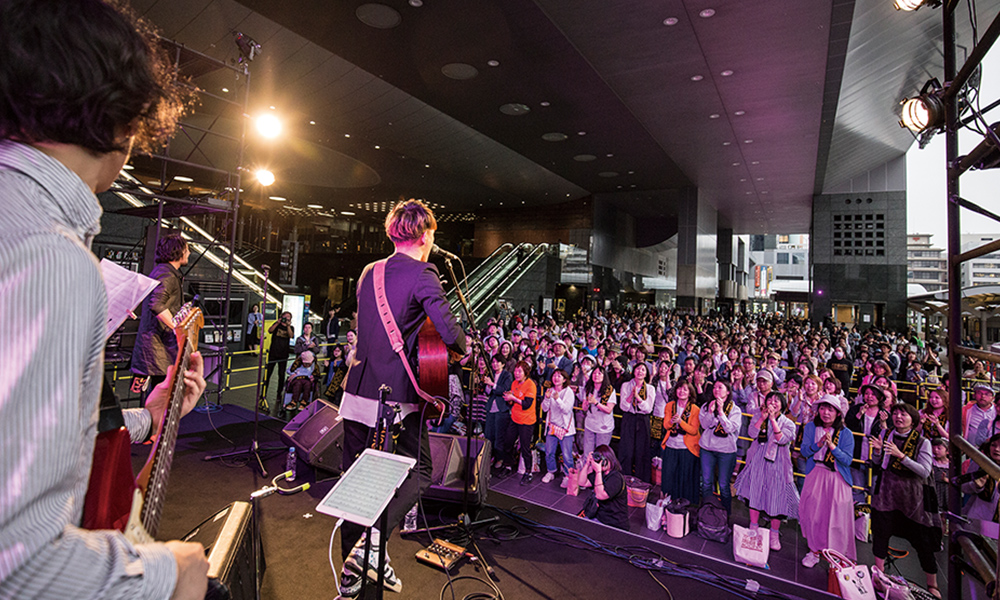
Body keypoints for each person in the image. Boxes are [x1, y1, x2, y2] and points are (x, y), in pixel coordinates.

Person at [0, 1, 210, 598]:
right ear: (125, 123)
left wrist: (152, 416)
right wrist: (170, 573)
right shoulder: (52, 258)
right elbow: (17, 563)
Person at [336, 199, 467, 598]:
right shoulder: (425, 273)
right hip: (396, 402)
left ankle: (351, 573)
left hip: (357, 393)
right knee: (421, 470)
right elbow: (448, 330)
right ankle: (370, 547)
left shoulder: (367, 272)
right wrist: (467, 347)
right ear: (426, 234)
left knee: (355, 485)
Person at [869, 403, 941, 598]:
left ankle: (932, 583)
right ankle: (879, 574)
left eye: (903, 414)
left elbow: (924, 471)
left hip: (913, 498)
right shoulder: (886, 435)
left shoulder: (922, 442)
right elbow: (877, 464)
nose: (898, 417)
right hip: (887, 492)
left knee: (922, 541)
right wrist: (877, 452)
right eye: (895, 413)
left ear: (913, 419)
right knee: (881, 532)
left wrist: (901, 456)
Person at [734, 391, 799, 551]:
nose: (773, 403)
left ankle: (774, 533)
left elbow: (782, 439)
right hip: (758, 459)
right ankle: (753, 527)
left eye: (777, 400)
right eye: (770, 399)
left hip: (778, 463)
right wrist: (763, 418)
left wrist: (772, 420)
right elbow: (751, 433)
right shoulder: (759, 416)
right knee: (754, 493)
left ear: (783, 405)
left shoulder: (788, 423)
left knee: (776, 498)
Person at [799, 395, 856, 568]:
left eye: (830, 409)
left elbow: (847, 460)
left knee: (837, 517)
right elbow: (804, 451)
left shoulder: (846, 434)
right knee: (813, 513)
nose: (826, 413)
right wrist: (818, 444)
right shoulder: (810, 427)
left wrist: (832, 447)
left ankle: (836, 555)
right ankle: (814, 550)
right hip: (816, 472)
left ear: (838, 413)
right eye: (823, 408)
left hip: (837, 477)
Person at [131, 233, 189, 391]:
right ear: (178, 251)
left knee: (154, 400)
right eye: (187, 249)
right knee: (160, 401)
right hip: (158, 350)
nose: (189, 253)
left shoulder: (162, 271)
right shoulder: (167, 275)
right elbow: (156, 304)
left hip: (155, 348)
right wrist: (177, 328)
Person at [699, 380, 741, 513]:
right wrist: (711, 412)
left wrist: (721, 412)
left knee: (723, 485)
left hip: (726, 451)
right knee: (706, 483)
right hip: (707, 449)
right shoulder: (706, 405)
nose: (716, 390)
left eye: (720, 387)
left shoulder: (735, 410)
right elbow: (705, 425)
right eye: (714, 387)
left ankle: (725, 515)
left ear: (728, 392)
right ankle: (706, 513)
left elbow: (729, 428)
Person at [660, 380, 701, 505]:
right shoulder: (670, 405)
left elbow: (694, 431)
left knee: (684, 478)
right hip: (671, 446)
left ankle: (684, 505)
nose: (681, 391)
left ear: (690, 393)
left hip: (687, 448)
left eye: (685, 389)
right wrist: (672, 421)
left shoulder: (695, 409)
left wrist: (680, 422)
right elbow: (666, 425)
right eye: (679, 388)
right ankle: (666, 501)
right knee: (668, 476)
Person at [577, 445, 630, 531]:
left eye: (604, 460)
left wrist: (598, 471)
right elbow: (582, 482)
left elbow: (600, 495)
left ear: (610, 459)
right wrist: (587, 464)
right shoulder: (602, 473)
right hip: (600, 517)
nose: (602, 463)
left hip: (614, 524)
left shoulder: (616, 478)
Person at [618, 362, 655, 483]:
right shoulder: (625, 385)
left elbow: (648, 408)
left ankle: (641, 483)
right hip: (629, 418)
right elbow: (623, 407)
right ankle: (624, 481)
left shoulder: (650, 388)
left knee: (641, 453)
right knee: (626, 452)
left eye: (643, 370)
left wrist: (638, 398)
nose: (640, 371)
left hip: (642, 420)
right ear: (633, 371)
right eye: (638, 369)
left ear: (646, 374)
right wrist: (631, 395)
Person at [504, 361, 538, 484]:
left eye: (520, 371)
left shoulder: (531, 385)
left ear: (526, 373)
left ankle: (528, 472)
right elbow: (512, 402)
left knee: (525, 447)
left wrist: (513, 398)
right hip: (514, 418)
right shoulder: (514, 383)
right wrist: (509, 399)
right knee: (508, 442)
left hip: (527, 421)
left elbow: (527, 404)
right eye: (515, 371)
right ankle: (508, 465)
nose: (516, 373)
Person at [541, 369, 576, 486]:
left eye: (559, 376)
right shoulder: (550, 390)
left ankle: (567, 476)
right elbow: (545, 409)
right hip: (552, 426)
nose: (556, 378)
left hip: (565, 429)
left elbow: (566, 410)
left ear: (564, 379)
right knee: (549, 452)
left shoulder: (568, 392)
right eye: (554, 376)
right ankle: (551, 471)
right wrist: (546, 398)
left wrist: (557, 399)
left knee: (567, 455)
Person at [484, 353, 513, 469]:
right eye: (493, 362)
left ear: (503, 364)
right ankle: (489, 457)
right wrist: (488, 385)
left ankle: (500, 458)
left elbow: (505, 390)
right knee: (488, 434)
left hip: (501, 408)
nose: (495, 364)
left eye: (497, 362)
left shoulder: (507, 375)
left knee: (499, 436)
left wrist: (492, 384)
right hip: (490, 407)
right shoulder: (490, 374)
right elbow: (487, 392)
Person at [582, 367, 617, 458]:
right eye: (594, 373)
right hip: (590, 425)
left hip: (603, 427)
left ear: (604, 376)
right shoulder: (588, 388)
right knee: (587, 453)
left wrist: (596, 403)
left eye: (599, 373)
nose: (596, 375)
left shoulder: (609, 390)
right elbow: (584, 408)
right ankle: (588, 471)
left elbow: (609, 410)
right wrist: (586, 404)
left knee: (600, 455)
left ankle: (599, 472)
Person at [264, 311, 294, 413]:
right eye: (285, 317)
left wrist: (288, 326)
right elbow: (270, 330)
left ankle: (278, 393)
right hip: (273, 353)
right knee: (268, 374)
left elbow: (291, 336)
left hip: (283, 354)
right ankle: (264, 393)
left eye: (288, 318)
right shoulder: (276, 325)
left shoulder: (291, 327)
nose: (286, 319)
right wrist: (277, 323)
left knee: (281, 375)